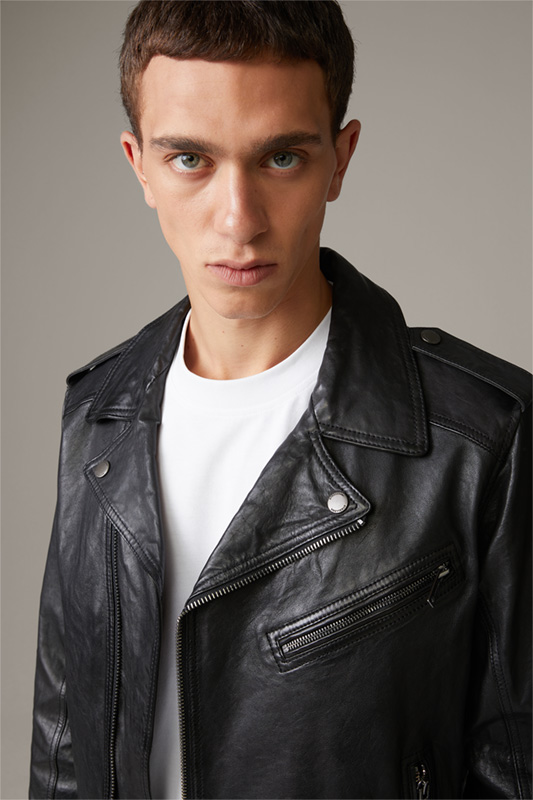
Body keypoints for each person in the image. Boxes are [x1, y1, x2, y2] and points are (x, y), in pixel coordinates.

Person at [29, 1, 531, 798]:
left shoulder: (483, 436)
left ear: (340, 158)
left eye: (281, 158)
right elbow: (61, 754)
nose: (239, 220)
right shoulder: (98, 414)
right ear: (139, 165)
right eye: (189, 159)